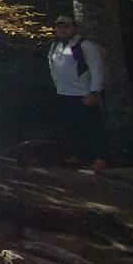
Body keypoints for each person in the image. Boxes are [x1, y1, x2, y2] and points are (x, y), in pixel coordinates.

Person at [48, 15, 107, 167]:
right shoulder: (56, 46)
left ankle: (101, 157)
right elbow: (53, 67)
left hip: (83, 93)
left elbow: (96, 68)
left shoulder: (85, 45)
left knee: (93, 126)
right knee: (73, 127)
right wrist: (58, 87)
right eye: (59, 27)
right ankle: (81, 155)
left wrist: (95, 91)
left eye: (66, 27)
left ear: (74, 28)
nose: (62, 30)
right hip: (64, 93)